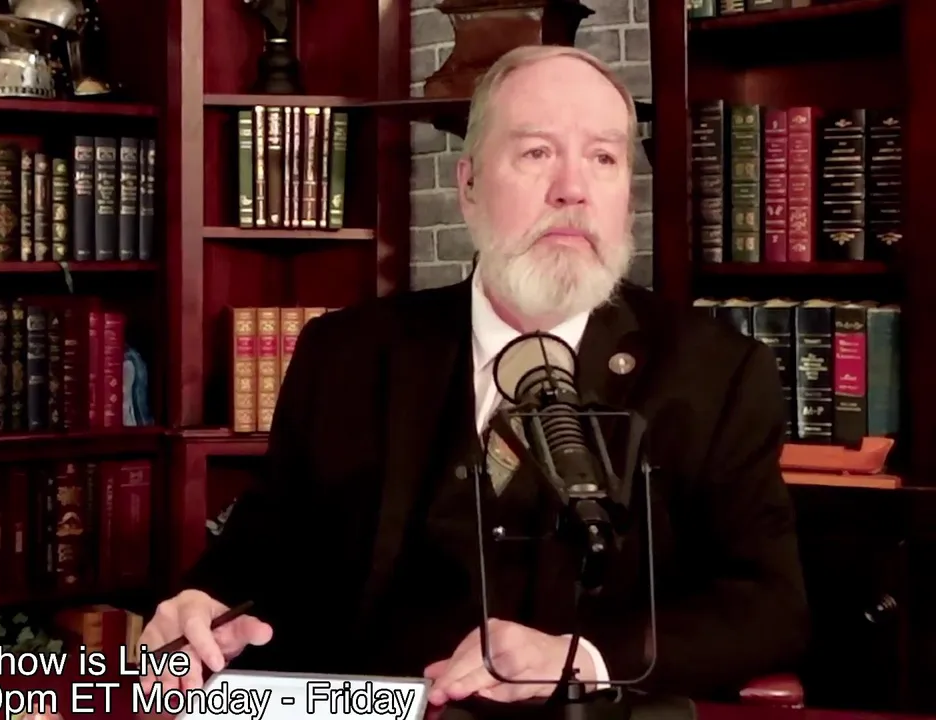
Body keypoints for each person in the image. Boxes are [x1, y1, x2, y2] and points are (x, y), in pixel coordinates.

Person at [139, 44, 809, 706]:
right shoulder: (344, 353)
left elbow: (770, 605)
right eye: (536, 153)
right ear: (468, 186)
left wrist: (582, 659)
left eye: (603, 158)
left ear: (626, 197)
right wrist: (202, 606)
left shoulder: (716, 373)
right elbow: (259, 557)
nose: (572, 188)